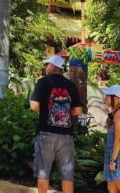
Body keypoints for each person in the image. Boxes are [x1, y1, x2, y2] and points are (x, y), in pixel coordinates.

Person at [30, 54, 83, 193]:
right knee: (67, 174)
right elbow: (78, 111)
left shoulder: (42, 82)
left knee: (43, 171)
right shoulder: (70, 85)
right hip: (66, 136)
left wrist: (49, 110)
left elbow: (34, 106)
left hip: (46, 134)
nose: (46, 67)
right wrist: (64, 112)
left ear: (53, 67)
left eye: (47, 65)